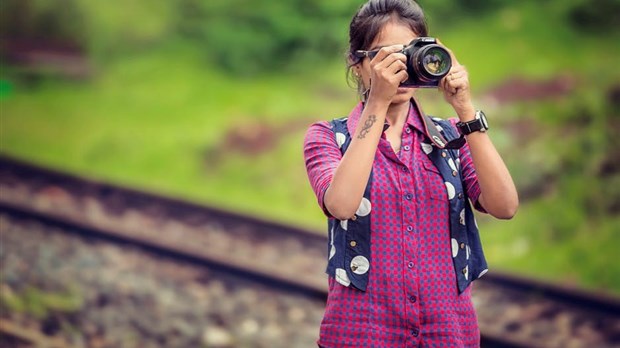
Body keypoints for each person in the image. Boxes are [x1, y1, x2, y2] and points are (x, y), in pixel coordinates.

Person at [303, 0, 519, 347]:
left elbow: (505, 206)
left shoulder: (451, 136)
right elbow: (341, 204)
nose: (400, 67)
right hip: (362, 331)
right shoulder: (327, 137)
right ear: (358, 65)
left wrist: (464, 107)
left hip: (447, 331)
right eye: (386, 56)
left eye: (410, 53)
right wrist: (377, 101)